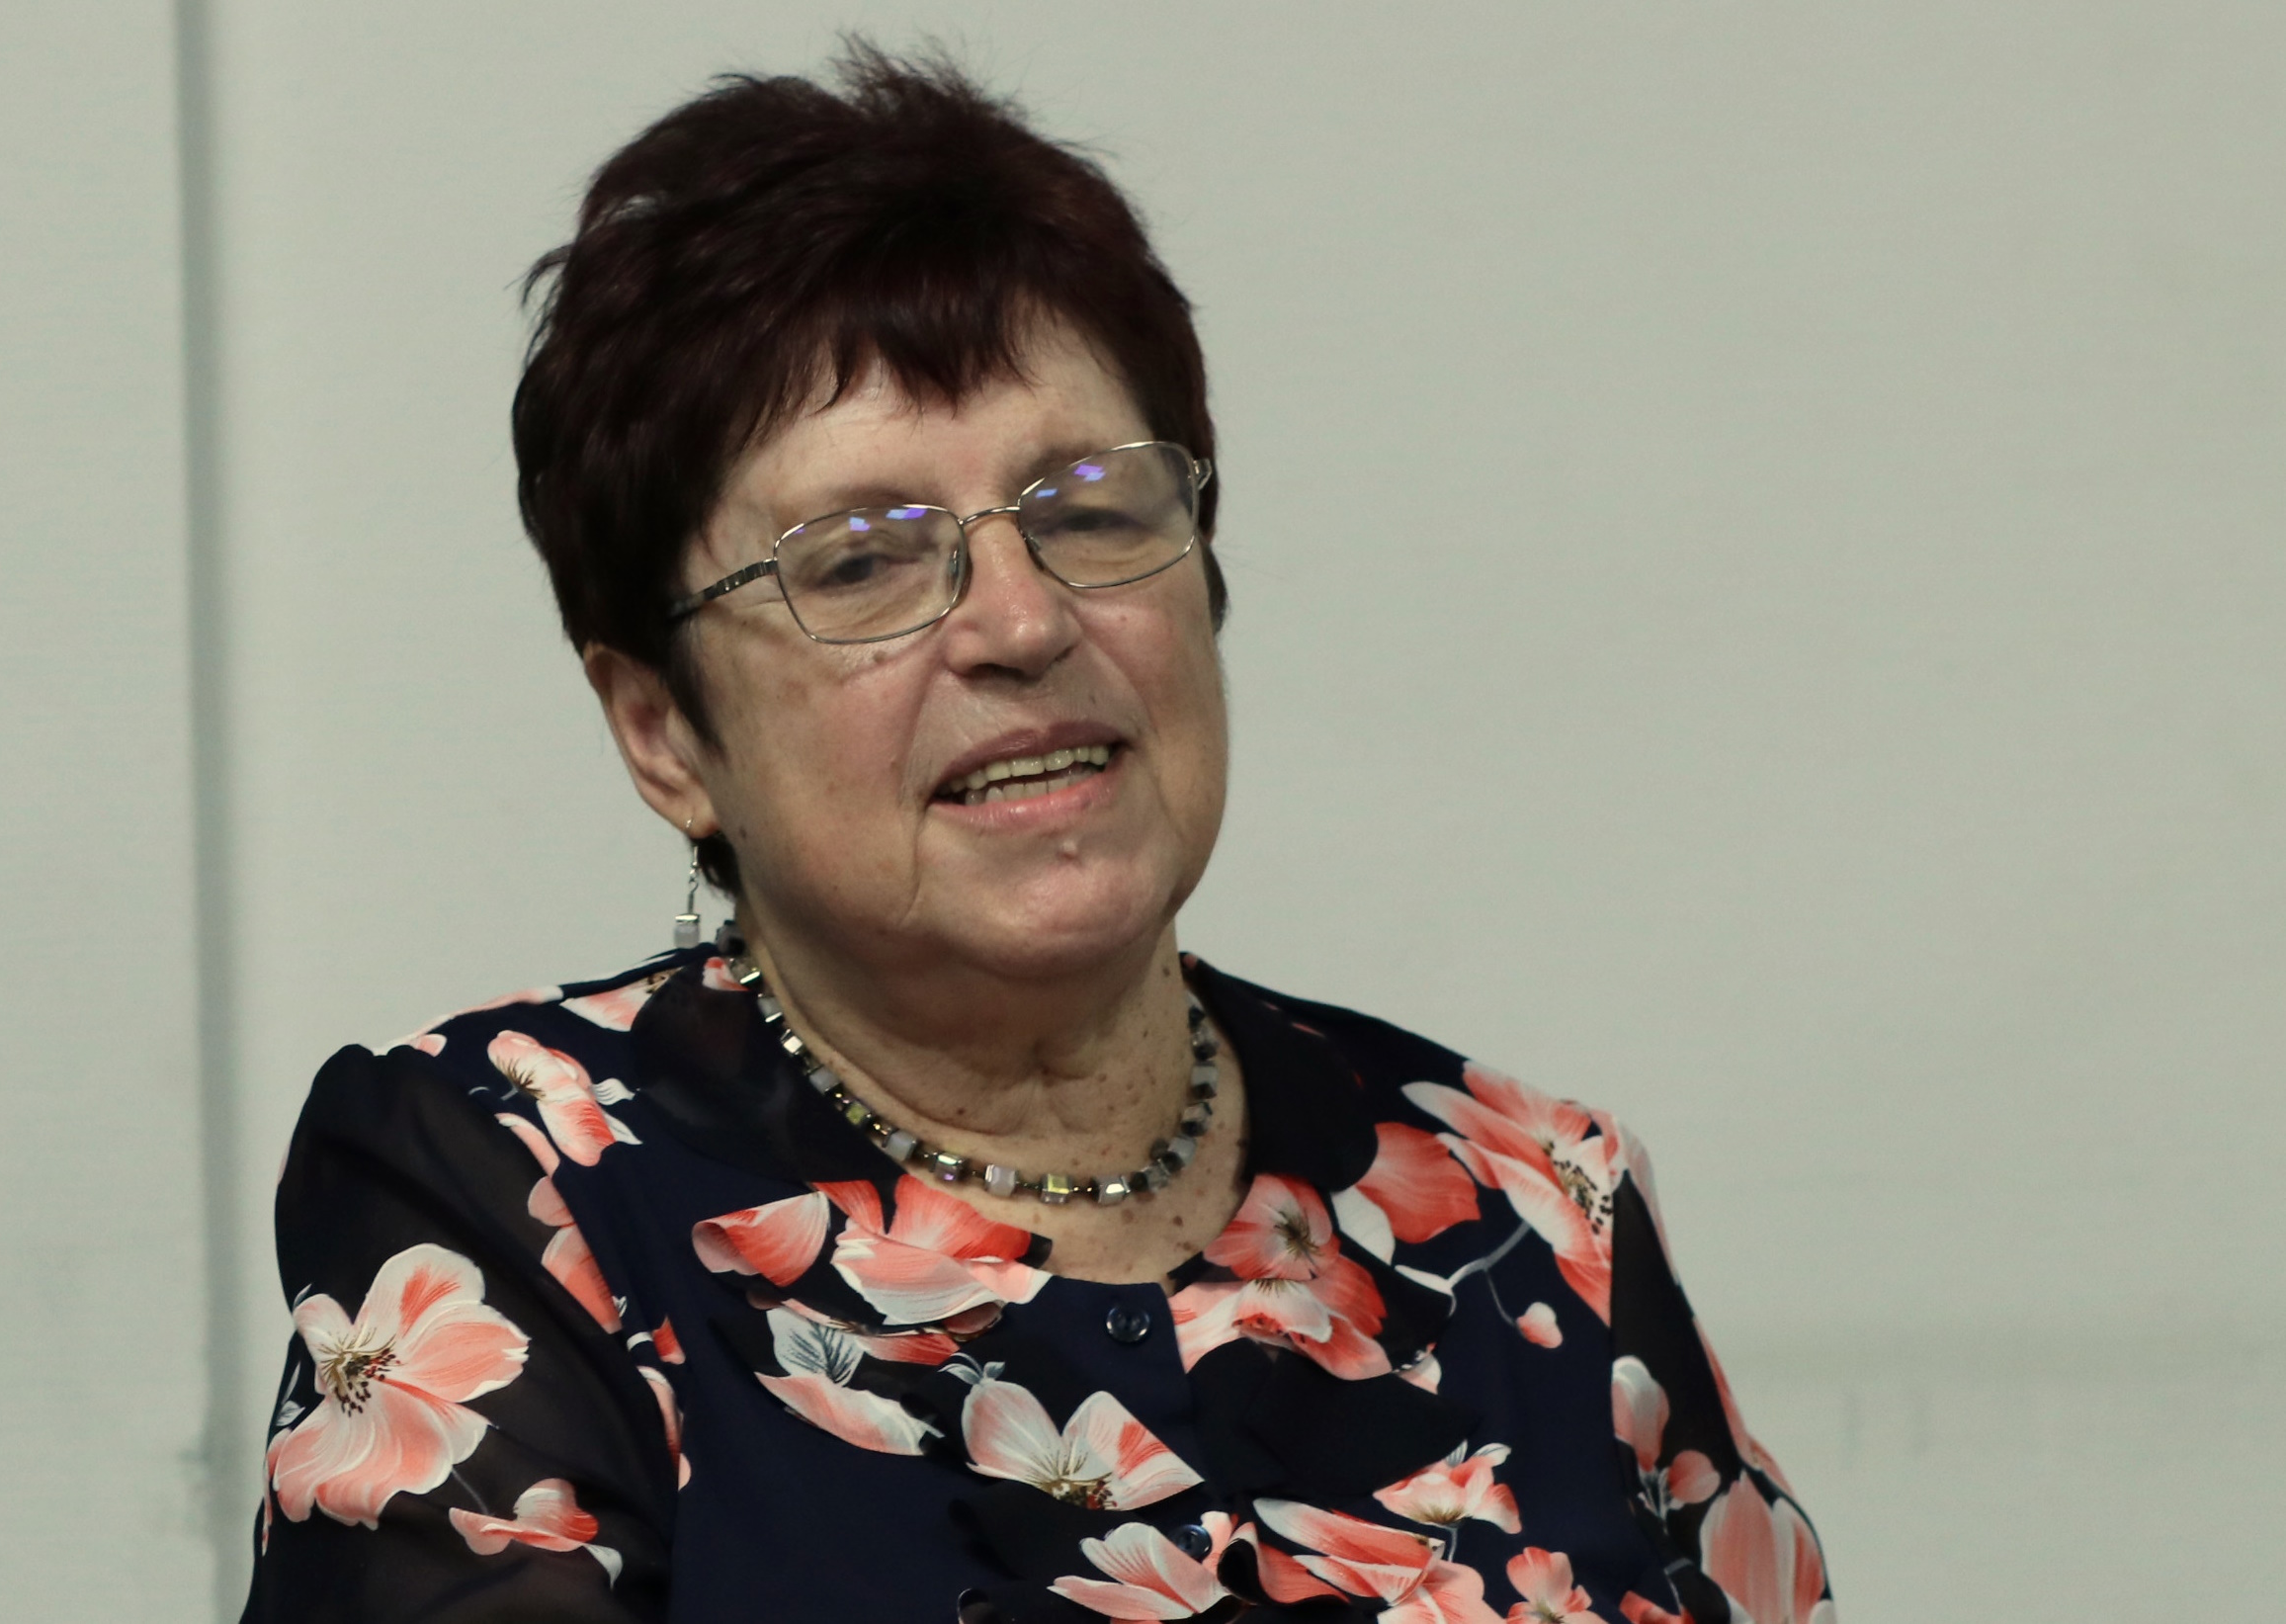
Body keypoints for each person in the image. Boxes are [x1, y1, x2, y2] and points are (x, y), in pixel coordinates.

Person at [239, 46, 1833, 1624]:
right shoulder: (521, 1179)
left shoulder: (1535, 1203)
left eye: (1085, 510)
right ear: (664, 732)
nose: (1019, 620)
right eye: (860, 560)